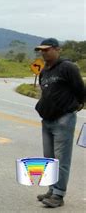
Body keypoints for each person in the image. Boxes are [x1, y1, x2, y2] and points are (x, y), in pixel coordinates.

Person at [34, 38, 85, 208]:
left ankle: (58, 195)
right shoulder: (45, 71)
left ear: (57, 49)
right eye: (41, 50)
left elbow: (80, 90)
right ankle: (51, 190)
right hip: (47, 120)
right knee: (48, 158)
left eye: (47, 49)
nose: (43, 52)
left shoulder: (68, 67)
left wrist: (74, 106)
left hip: (64, 119)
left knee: (61, 159)